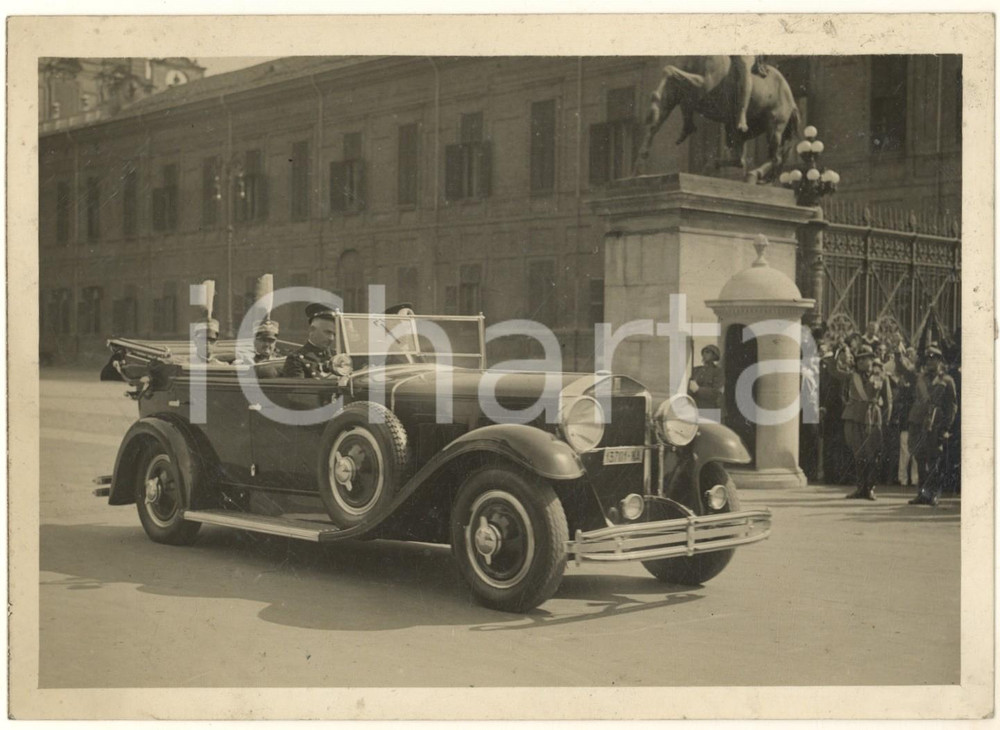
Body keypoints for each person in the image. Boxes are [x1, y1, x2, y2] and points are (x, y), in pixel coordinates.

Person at [835, 343, 892, 501]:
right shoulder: (852, 375)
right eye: (858, 359)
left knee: (872, 454)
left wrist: (885, 420)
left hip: (872, 418)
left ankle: (870, 488)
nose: (860, 362)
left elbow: (888, 400)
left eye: (864, 359)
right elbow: (838, 379)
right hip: (854, 417)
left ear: (872, 359)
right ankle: (860, 488)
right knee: (858, 453)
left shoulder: (880, 375)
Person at [907, 346, 958, 506]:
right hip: (918, 423)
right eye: (928, 359)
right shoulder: (920, 378)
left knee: (934, 460)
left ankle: (934, 494)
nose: (930, 362)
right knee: (920, 458)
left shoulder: (947, 380)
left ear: (940, 361)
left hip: (935, 424)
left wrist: (946, 427)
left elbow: (952, 406)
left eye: (934, 359)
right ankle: (922, 493)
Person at [282, 303, 338, 378]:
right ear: (312, 330)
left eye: (334, 334)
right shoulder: (296, 359)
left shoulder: (336, 356)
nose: (331, 338)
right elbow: (297, 385)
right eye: (327, 332)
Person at [689, 344, 723, 414]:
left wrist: (698, 389)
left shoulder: (718, 372)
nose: (704, 354)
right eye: (704, 352)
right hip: (694, 408)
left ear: (714, 356)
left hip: (709, 409)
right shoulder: (696, 370)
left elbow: (716, 393)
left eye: (708, 352)